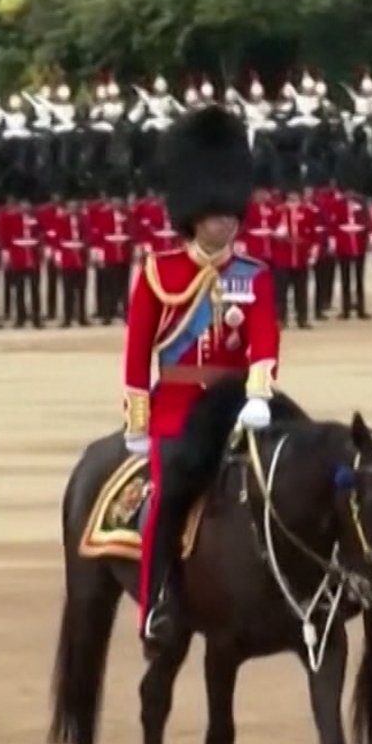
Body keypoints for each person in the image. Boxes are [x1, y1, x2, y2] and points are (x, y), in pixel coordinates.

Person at [122, 106, 278, 652]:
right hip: (179, 407)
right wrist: (138, 421)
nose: (226, 221)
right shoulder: (160, 273)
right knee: (168, 494)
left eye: (231, 211)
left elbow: (264, 342)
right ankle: (156, 600)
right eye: (215, 213)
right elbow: (138, 353)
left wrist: (259, 394)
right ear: (194, 214)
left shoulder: (252, 275)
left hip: (241, 403)